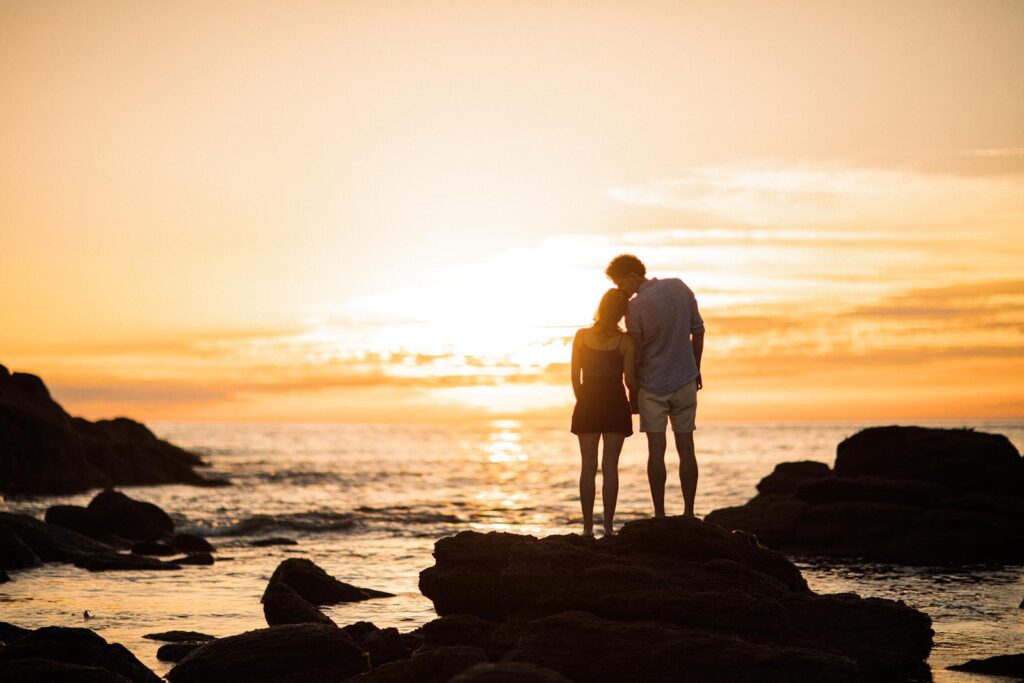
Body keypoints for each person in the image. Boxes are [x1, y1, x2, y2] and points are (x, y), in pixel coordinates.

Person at [606, 254, 704, 518]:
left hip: (652, 385)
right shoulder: (679, 286)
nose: (621, 291)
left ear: (633, 276)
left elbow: (636, 353)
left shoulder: (634, 308)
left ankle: (659, 514)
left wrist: (633, 392)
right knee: (687, 448)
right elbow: (698, 330)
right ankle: (689, 513)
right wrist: (696, 368)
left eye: (620, 284)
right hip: (685, 379)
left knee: (656, 451)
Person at [570, 288, 638, 537]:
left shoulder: (582, 336)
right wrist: (635, 402)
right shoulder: (626, 341)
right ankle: (608, 528)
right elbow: (630, 380)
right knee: (610, 467)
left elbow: (575, 377)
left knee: (587, 466)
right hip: (615, 403)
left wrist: (584, 400)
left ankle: (587, 528)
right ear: (622, 313)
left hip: (588, 402)